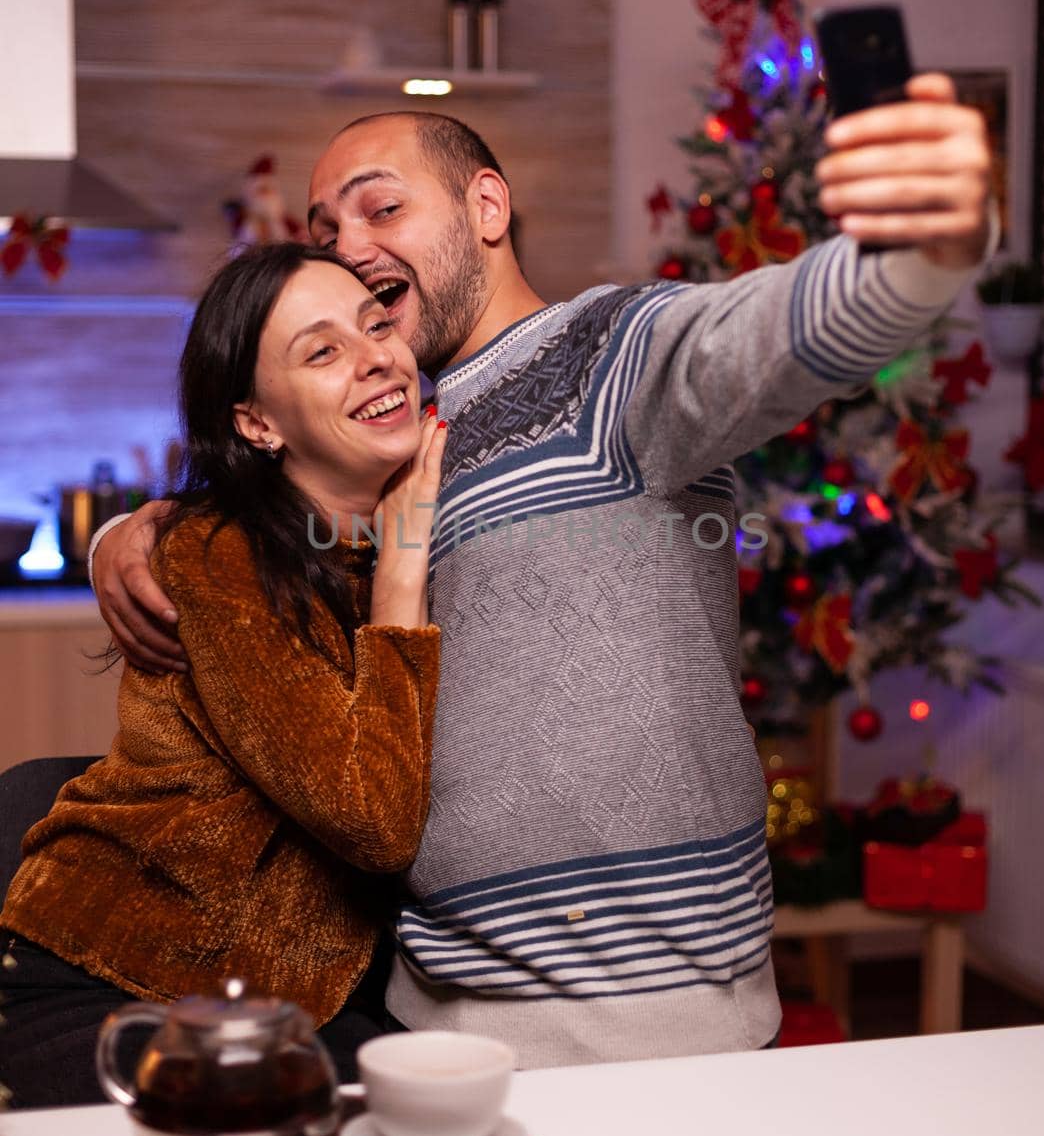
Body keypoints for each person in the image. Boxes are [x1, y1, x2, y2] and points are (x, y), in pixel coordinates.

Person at [88, 81, 993, 1067]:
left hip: (653, 1036)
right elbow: (264, 557)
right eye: (325, 224)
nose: (346, 243)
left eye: (380, 205)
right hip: (421, 1028)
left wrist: (925, 245)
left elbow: (772, 335)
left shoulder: (608, 360)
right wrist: (137, 533)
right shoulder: (385, 442)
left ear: (486, 207)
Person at [0, 244, 446, 1108]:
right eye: (321, 352)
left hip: (284, 1000)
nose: (374, 359)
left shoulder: (369, 536)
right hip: (115, 985)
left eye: (376, 325)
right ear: (257, 424)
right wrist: (403, 573)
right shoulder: (220, 554)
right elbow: (374, 819)